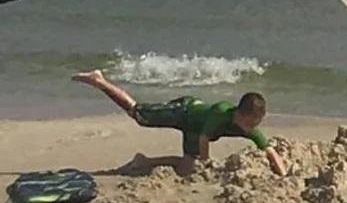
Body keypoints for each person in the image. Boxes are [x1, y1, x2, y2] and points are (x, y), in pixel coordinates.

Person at [72, 69, 286, 176]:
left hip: (194, 129)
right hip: (184, 111)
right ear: (240, 114)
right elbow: (204, 139)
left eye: (257, 122)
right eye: (251, 121)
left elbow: (269, 151)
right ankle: (99, 80)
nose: (253, 127)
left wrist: (282, 174)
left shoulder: (251, 129)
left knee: (186, 168)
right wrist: (206, 162)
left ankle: (144, 162)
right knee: (137, 114)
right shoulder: (222, 112)